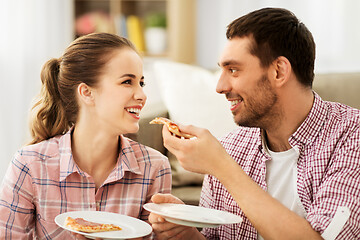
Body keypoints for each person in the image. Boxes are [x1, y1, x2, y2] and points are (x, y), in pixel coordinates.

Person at [148, 7, 360, 240]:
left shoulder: (351, 137)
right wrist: (188, 234)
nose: (220, 86)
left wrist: (222, 167)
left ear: (279, 71)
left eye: (233, 70)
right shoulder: (231, 147)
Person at [0, 32, 171, 239]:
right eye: (127, 82)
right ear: (86, 92)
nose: (142, 95)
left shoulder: (155, 167)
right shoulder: (29, 164)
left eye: (141, 83)